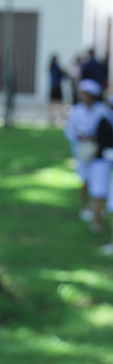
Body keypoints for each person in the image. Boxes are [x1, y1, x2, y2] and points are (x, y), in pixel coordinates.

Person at [64, 78, 113, 232]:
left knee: (98, 183)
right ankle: (85, 207)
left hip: (100, 152)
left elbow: (105, 130)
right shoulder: (76, 110)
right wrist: (81, 137)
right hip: (84, 151)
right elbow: (69, 131)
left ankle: (95, 211)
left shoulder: (101, 110)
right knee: (85, 179)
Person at [48, 55, 68, 124]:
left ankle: (51, 116)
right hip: (56, 86)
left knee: (52, 102)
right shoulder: (56, 67)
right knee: (59, 102)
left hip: (53, 86)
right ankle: (62, 115)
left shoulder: (51, 66)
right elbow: (63, 74)